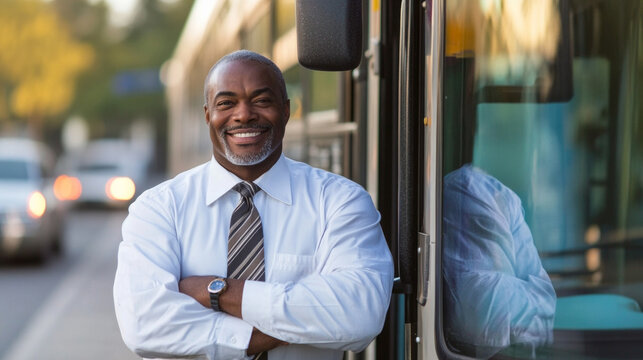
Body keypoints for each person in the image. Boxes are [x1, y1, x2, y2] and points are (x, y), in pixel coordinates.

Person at [113, 50, 394, 360]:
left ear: (286, 111)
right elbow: (144, 325)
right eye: (226, 103)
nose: (244, 115)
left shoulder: (340, 202)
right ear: (208, 115)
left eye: (261, 101)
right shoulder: (159, 209)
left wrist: (219, 292)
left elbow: (360, 313)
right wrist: (283, 329)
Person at [442, 165, 556, 359]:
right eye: (482, 226)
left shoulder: (506, 198)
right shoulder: (462, 191)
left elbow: (545, 304)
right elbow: (487, 309)